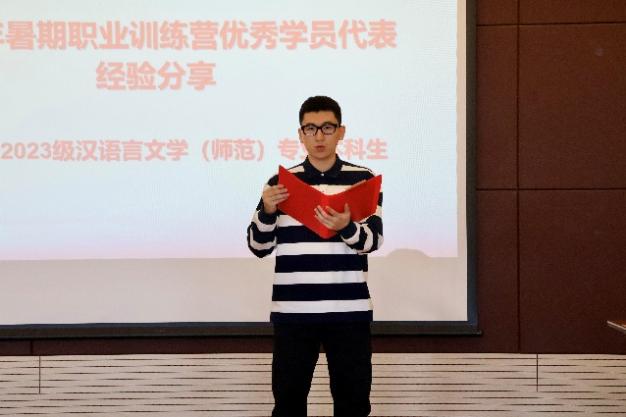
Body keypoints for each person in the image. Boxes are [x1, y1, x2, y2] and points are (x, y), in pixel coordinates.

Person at [247, 95, 383, 417]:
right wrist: (267, 210)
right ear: (300, 134)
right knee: (288, 404)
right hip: (293, 311)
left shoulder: (362, 179)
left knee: (353, 405)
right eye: (310, 128)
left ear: (341, 131)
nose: (319, 136)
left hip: (349, 311)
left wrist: (345, 227)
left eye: (327, 127)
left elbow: (373, 240)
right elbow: (258, 246)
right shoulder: (280, 184)